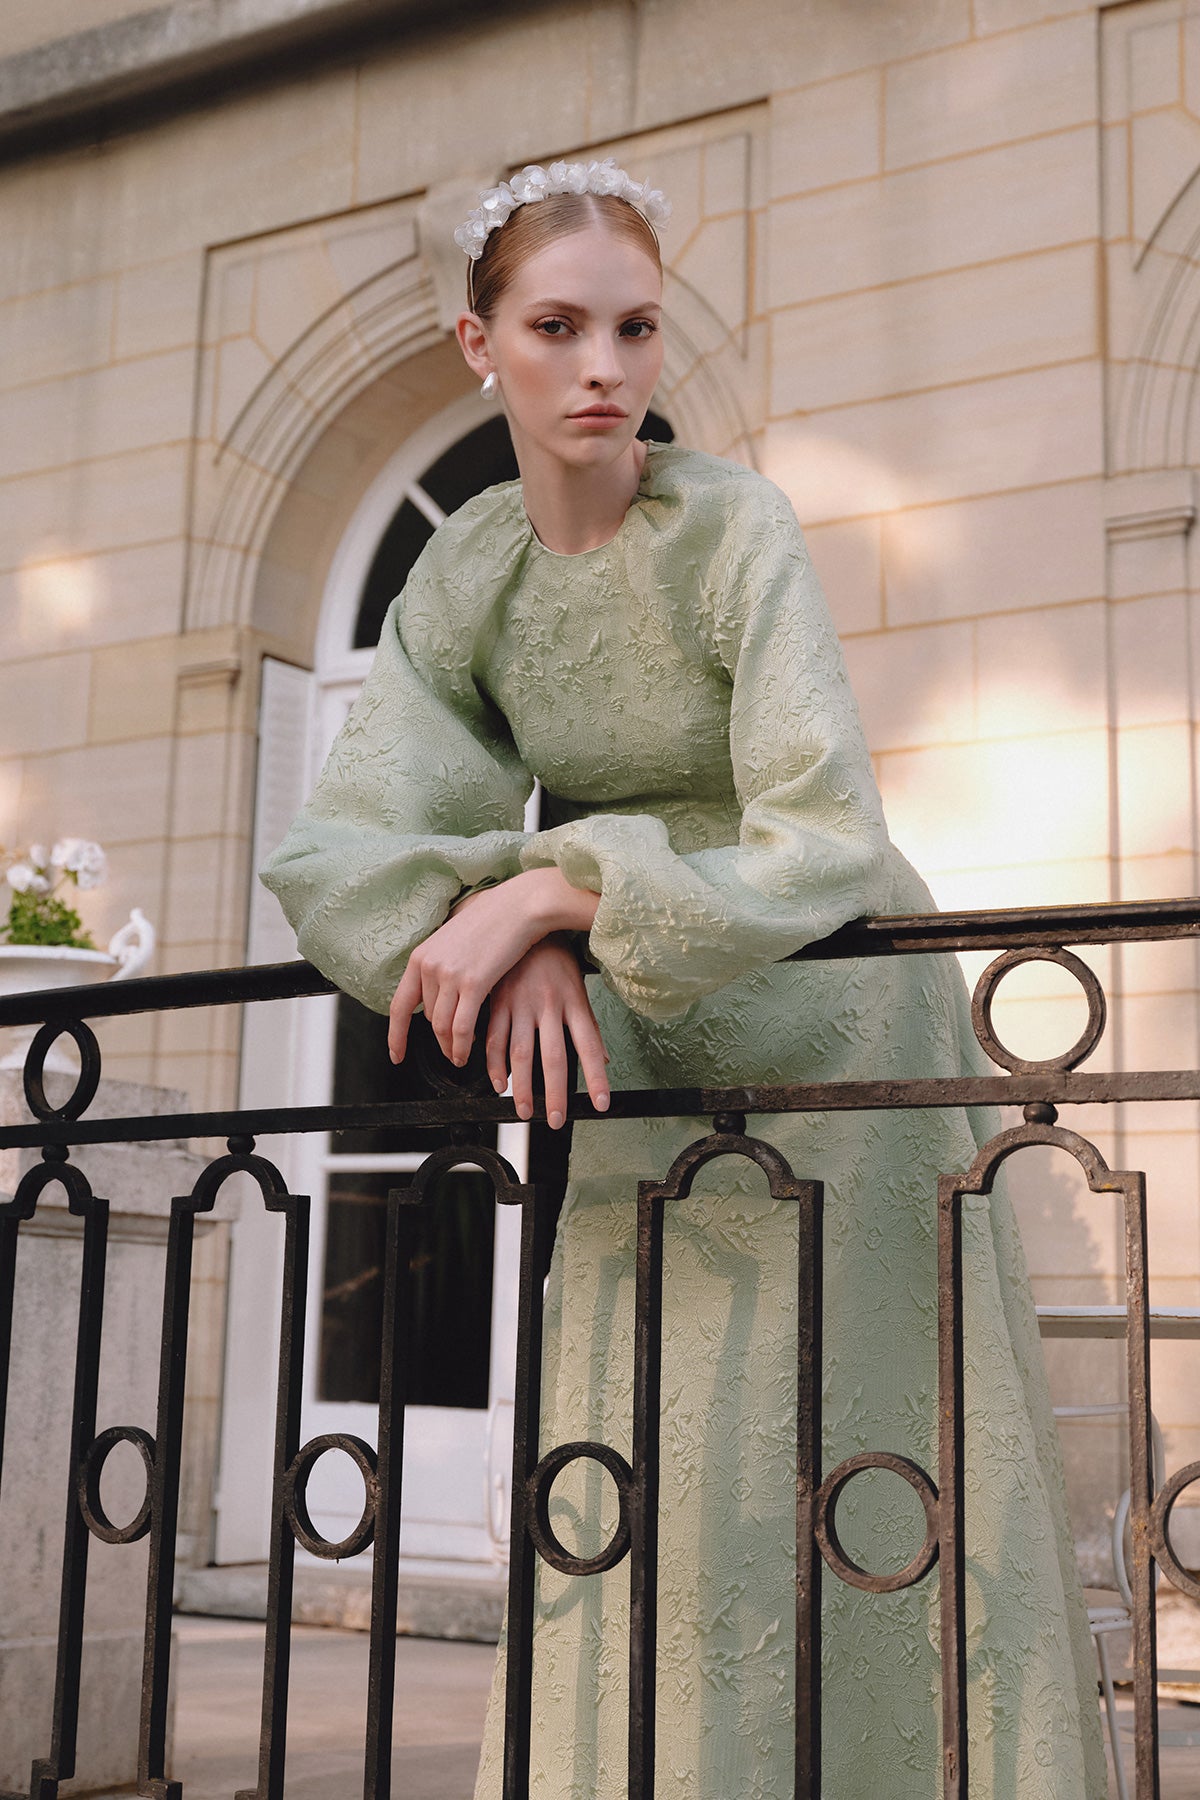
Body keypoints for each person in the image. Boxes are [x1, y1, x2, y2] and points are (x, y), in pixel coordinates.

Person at [260, 160, 1106, 1799]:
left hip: (839, 1027)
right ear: (477, 343)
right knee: (653, 1455)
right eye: (557, 328)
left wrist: (551, 889)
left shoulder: (735, 525)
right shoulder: (467, 572)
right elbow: (342, 849)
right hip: (638, 1046)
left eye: (636, 329)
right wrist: (516, 920)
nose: (604, 368)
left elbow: (826, 833)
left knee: (859, 1445)